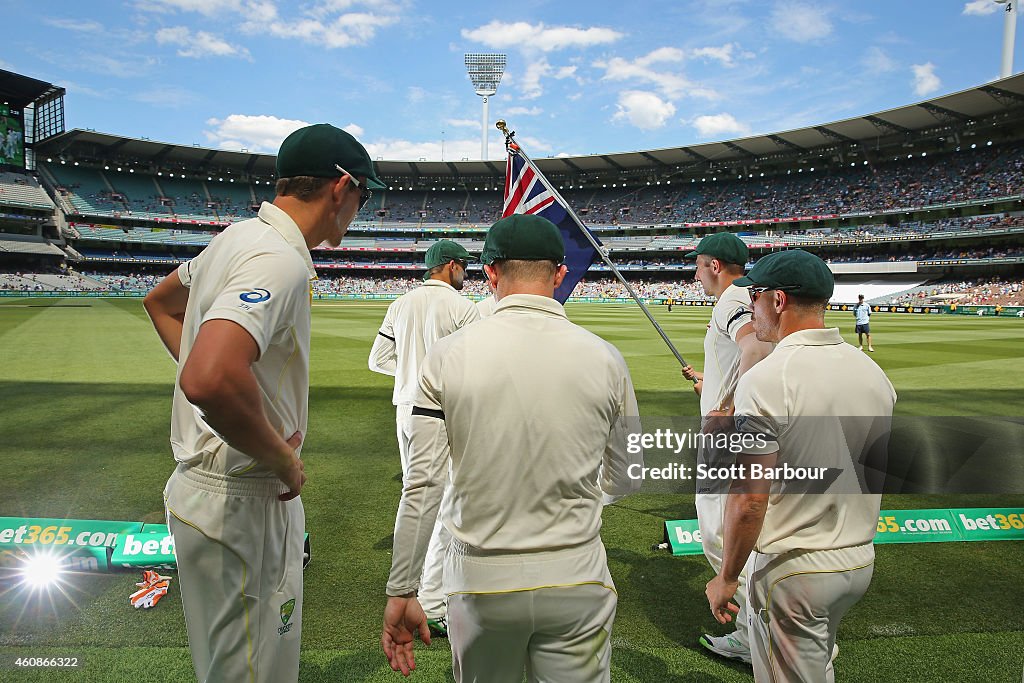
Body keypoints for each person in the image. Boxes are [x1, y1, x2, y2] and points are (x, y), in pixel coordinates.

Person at [143, 123, 385, 683]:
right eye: (363, 196)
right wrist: (280, 455)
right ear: (340, 187)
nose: (359, 210)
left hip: (207, 493)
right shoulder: (279, 259)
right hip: (243, 498)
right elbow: (208, 377)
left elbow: (161, 303)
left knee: (232, 667)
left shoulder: (236, 237)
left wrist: (227, 385)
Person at [380, 214, 643, 682]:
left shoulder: (448, 356)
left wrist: (402, 588)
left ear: (491, 272)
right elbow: (628, 473)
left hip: (483, 579)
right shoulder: (605, 357)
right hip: (577, 570)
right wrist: (572, 505)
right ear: (560, 274)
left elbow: (423, 484)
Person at [706, 249, 896, 683]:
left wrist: (727, 576)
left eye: (754, 296)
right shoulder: (871, 372)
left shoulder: (768, 378)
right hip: (857, 560)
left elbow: (750, 499)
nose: (751, 309)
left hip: (795, 568)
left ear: (778, 300)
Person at [368, 239, 480, 635]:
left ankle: (422, 592)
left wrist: (410, 373)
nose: (466, 272)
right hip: (439, 412)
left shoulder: (400, 304)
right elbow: (475, 368)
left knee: (419, 497)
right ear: (449, 266)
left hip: (405, 410)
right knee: (440, 503)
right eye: (463, 265)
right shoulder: (463, 307)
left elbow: (377, 359)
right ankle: (429, 599)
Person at [680, 232, 774, 664]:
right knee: (730, 528)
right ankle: (760, 629)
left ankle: (756, 632)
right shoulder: (743, 296)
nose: (695, 273)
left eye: (697, 265)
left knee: (722, 530)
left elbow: (755, 344)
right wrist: (711, 384)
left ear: (713, 266)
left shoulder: (731, 298)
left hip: (729, 436)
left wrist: (730, 405)